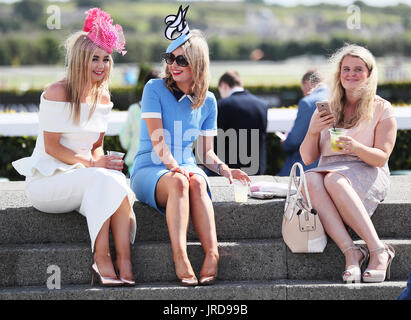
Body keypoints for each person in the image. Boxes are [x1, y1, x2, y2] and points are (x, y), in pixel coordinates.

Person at [12, 8, 136, 287]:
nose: (101, 65)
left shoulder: (103, 97)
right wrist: (94, 166)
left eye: (106, 59)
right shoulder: (56, 92)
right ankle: (101, 257)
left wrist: (103, 162)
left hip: (86, 180)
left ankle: (125, 261)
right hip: (48, 182)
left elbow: (96, 147)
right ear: (80, 59)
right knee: (103, 179)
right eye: (94, 58)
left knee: (115, 179)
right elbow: (53, 147)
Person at [130, 6, 250, 286]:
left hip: (184, 167)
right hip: (150, 167)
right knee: (183, 182)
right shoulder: (154, 89)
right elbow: (157, 141)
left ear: (197, 64)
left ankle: (213, 253)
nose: (173, 65)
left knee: (196, 181)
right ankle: (180, 255)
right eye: (170, 58)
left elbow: (205, 153)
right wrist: (175, 167)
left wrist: (225, 169)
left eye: (181, 60)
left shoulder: (208, 100)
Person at [300, 44, 397, 283]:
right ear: (339, 74)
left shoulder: (382, 108)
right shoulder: (327, 107)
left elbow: (381, 157)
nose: (351, 74)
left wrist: (355, 148)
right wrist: (313, 132)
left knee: (332, 178)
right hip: (328, 170)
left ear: (369, 74)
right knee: (311, 176)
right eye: (346, 69)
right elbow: (307, 158)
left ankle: (378, 250)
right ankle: (351, 251)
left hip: (366, 168)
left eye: (358, 69)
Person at [216, 70, 268, 175]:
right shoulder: (262, 104)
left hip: (230, 169)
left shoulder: (222, 105)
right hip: (257, 166)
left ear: (224, 85)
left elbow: (217, 139)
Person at [278, 70, 328, 176]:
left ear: (307, 83)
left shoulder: (308, 102)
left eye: (302, 89)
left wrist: (284, 142)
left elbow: (295, 140)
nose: (303, 93)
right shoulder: (337, 97)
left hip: (309, 167)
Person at [119, 69, 160, 174]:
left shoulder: (134, 109)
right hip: (161, 167)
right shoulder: (167, 110)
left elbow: (125, 139)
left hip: (135, 166)